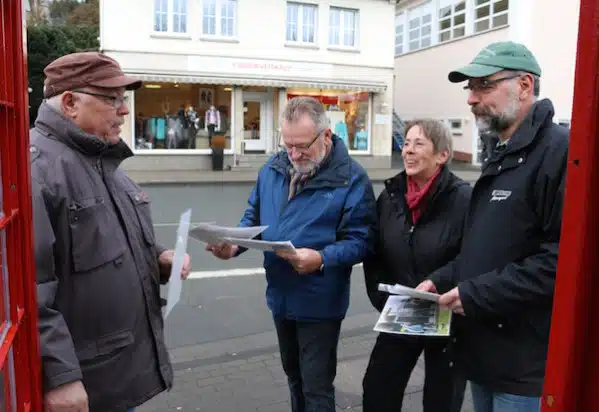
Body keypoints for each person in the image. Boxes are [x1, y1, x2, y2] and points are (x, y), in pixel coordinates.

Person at [30, 52, 192, 412]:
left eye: (124, 99)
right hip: (83, 386)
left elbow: (110, 238)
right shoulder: (38, 170)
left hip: (114, 374)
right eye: (112, 99)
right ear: (70, 102)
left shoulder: (105, 162)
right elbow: (30, 286)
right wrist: (60, 377)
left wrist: (159, 258)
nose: (124, 110)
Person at [417, 41, 569, 411]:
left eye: (483, 86)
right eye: (469, 88)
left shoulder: (558, 152)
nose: (471, 98)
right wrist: (443, 279)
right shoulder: (501, 154)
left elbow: (561, 259)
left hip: (525, 368)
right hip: (483, 357)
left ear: (525, 85)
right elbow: (483, 251)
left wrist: (474, 294)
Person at [207, 96, 376, 412]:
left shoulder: (352, 178)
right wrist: (233, 245)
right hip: (281, 296)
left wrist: (322, 258)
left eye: (302, 146)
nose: (294, 155)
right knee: (293, 377)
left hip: (320, 300)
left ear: (326, 136)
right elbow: (254, 217)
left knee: (316, 387)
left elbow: (362, 241)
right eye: (288, 145)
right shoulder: (273, 168)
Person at [362, 119, 471, 412]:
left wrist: (440, 279)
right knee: (378, 389)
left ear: (442, 155)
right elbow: (375, 253)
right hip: (402, 309)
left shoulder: (464, 198)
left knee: (442, 398)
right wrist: (382, 299)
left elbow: (473, 256)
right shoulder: (391, 195)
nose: (408, 151)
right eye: (406, 143)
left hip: (446, 312)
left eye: (419, 144)